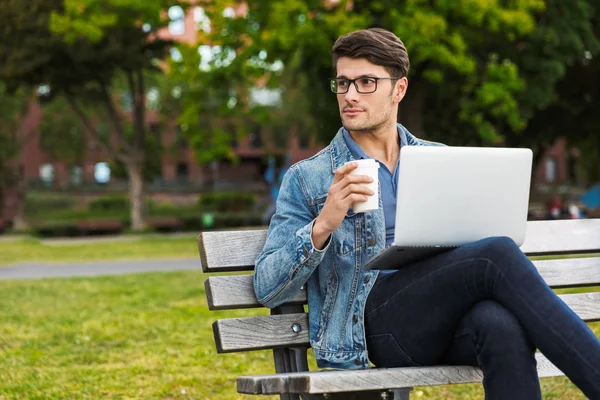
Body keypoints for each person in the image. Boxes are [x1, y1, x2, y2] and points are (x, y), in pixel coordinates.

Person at [253, 28, 600, 399]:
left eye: (366, 82)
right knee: (494, 254)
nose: (350, 95)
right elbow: (267, 286)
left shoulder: (439, 159)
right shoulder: (309, 177)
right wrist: (323, 224)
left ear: (398, 90)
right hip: (372, 329)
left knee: (499, 324)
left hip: (441, 320)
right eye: (343, 83)